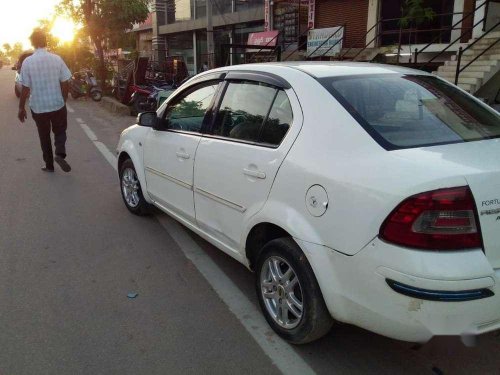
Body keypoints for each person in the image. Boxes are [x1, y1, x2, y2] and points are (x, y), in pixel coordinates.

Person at [18, 29, 72, 173]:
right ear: (45, 41)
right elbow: (65, 81)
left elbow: (25, 87)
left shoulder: (28, 62)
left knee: (44, 135)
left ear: (32, 43)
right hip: (57, 104)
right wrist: (63, 99)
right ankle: (60, 153)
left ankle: (49, 165)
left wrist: (21, 108)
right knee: (60, 131)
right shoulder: (57, 59)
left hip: (38, 106)